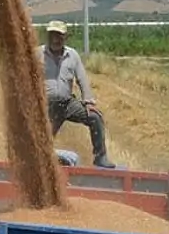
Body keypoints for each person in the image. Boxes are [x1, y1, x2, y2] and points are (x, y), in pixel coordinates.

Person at [37, 20, 115, 168]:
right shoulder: (37, 54)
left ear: (65, 37)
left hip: (67, 103)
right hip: (46, 105)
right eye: (53, 35)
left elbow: (82, 79)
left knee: (95, 117)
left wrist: (88, 101)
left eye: (59, 35)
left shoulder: (72, 55)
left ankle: (100, 157)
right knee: (43, 140)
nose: (56, 39)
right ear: (48, 36)